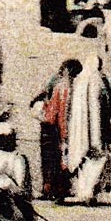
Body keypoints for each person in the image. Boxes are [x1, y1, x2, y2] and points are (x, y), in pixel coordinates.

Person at [29, 59, 80, 203]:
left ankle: (51, 190)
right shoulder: (78, 88)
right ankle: (64, 189)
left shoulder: (59, 86)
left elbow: (51, 114)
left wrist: (39, 114)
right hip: (72, 130)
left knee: (51, 161)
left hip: (54, 130)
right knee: (66, 159)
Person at [65, 56, 111, 204]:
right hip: (97, 127)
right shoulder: (100, 81)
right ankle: (90, 192)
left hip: (79, 129)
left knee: (83, 160)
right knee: (97, 158)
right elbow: (108, 101)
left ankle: (83, 191)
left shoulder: (79, 80)